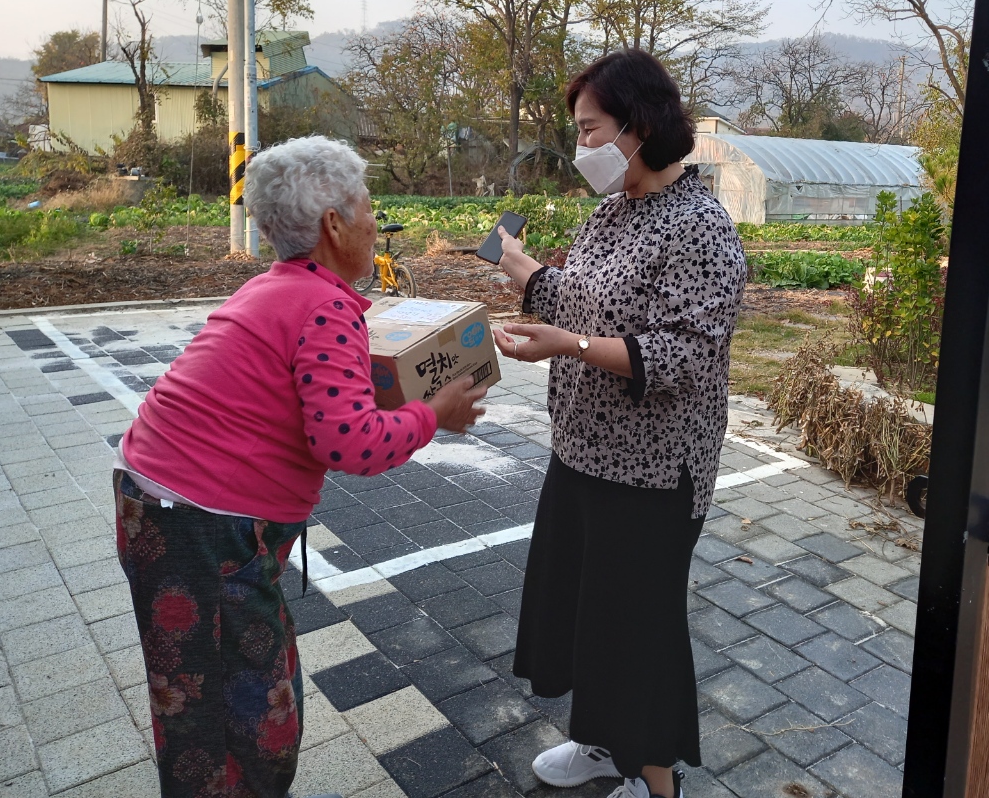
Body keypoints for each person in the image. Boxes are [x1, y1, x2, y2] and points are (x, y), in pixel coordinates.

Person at [112, 136, 487, 798]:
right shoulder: (323, 305)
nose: (376, 222)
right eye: (369, 206)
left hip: (168, 504)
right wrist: (435, 413)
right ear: (334, 225)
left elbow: (324, 403)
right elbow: (350, 443)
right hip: (196, 524)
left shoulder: (279, 288)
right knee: (241, 718)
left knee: (219, 683)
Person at [489, 49, 747, 798]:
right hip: (581, 451)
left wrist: (567, 345)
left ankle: (656, 781)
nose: (581, 147)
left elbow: (682, 356)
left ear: (640, 125)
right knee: (589, 613)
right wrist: (521, 270)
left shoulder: (701, 228)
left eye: (590, 129)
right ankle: (603, 744)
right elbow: (583, 300)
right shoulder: (612, 212)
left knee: (639, 631)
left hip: (653, 470)